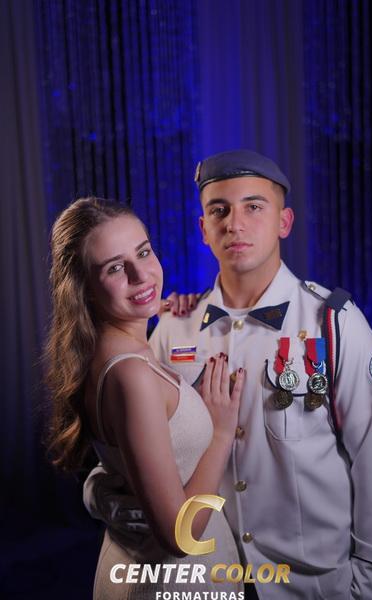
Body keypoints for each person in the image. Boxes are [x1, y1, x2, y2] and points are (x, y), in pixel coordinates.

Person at [83, 151, 372, 599]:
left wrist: (369, 584)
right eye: (219, 210)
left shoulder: (334, 323)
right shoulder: (173, 328)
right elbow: (135, 446)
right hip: (211, 578)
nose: (235, 223)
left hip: (312, 586)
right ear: (203, 229)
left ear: (284, 222)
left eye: (254, 206)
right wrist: (102, 494)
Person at [44, 197, 246, 599]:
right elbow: (179, 535)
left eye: (143, 252)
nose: (142, 275)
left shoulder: (114, 349)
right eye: (115, 267)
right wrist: (221, 434)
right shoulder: (130, 374)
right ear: (83, 288)